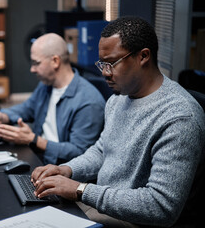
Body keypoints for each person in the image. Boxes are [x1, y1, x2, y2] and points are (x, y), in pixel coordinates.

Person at [31, 17, 205, 227]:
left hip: (130, 221)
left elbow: (160, 206)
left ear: (143, 56)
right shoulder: (118, 98)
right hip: (100, 207)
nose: (105, 73)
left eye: (112, 63)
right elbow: (103, 151)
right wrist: (67, 169)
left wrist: (80, 190)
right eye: (102, 63)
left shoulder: (179, 117)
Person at [0, 33, 105, 165]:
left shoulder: (88, 101)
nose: (32, 69)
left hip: (60, 167)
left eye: (36, 63)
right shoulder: (46, 85)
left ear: (55, 61)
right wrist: (4, 116)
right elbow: (27, 108)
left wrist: (34, 139)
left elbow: (79, 153)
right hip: (38, 156)